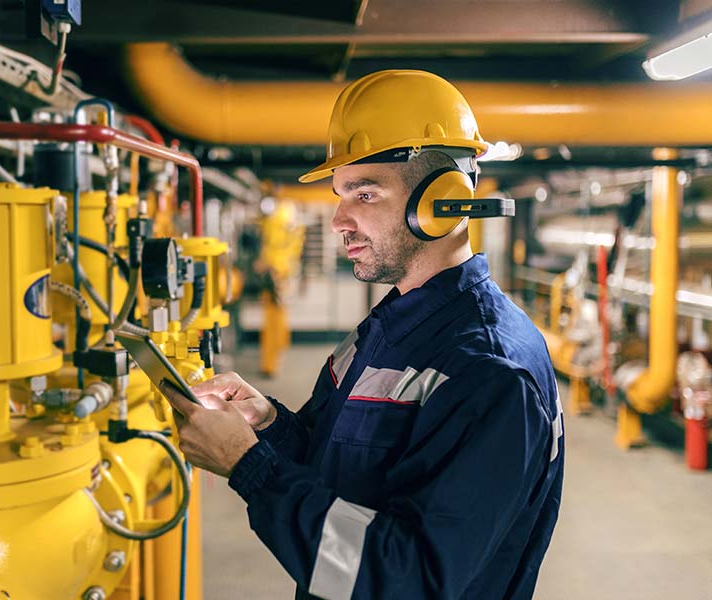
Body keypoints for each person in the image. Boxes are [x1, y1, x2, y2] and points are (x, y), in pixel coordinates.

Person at [160, 70, 564, 600]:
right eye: (339, 194)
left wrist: (248, 466)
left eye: (364, 193)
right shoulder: (391, 324)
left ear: (440, 201)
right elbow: (339, 465)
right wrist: (267, 423)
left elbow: (407, 579)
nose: (339, 220)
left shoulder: (489, 372)